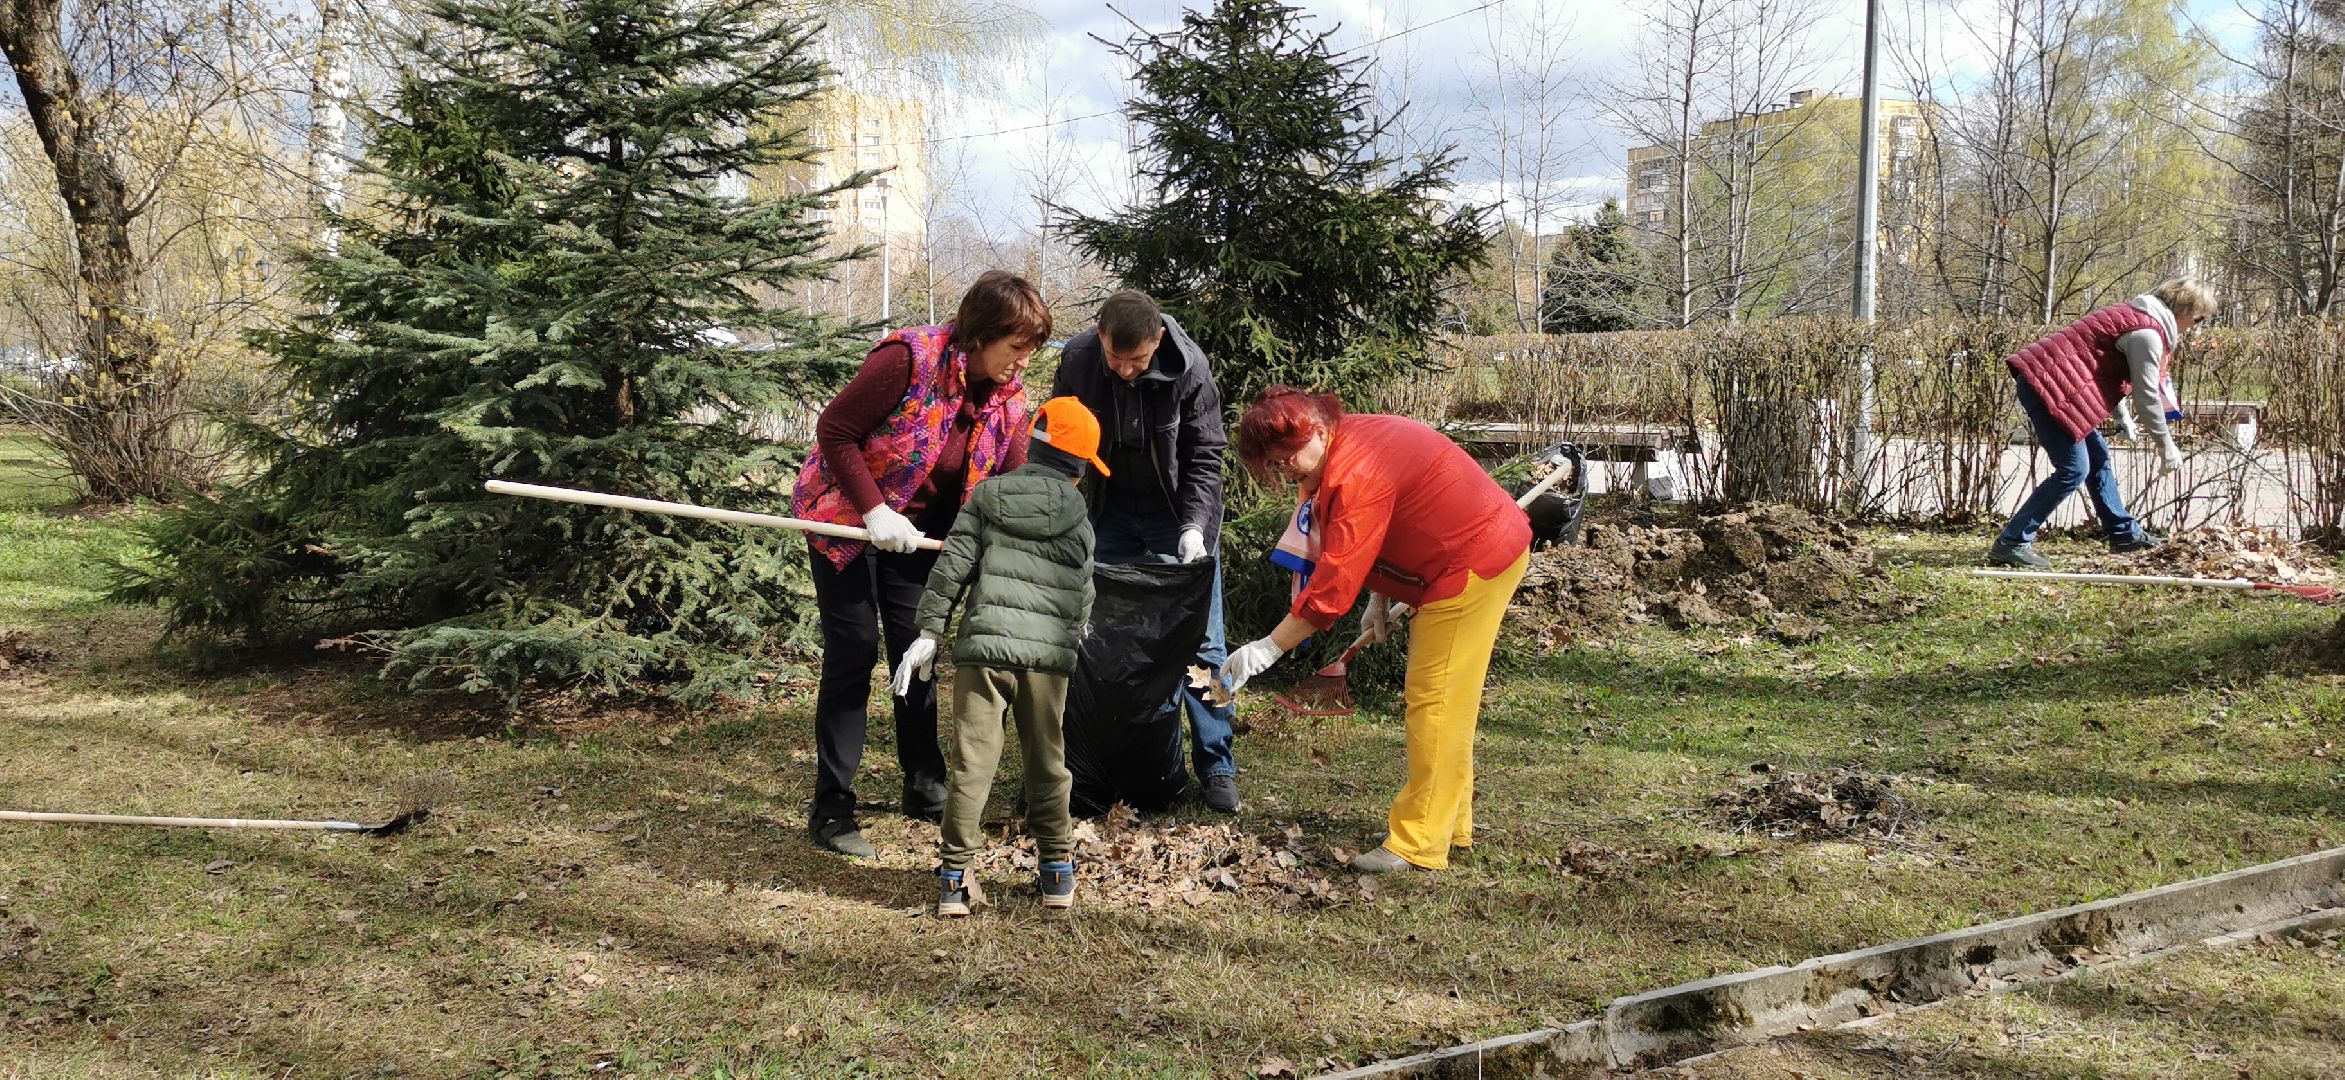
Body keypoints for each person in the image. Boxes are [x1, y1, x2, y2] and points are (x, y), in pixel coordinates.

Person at [788, 270, 1049, 858]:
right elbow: (835, 430)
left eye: (1031, 351)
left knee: (918, 650)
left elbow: (1011, 482)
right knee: (854, 651)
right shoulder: (910, 359)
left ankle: (923, 784)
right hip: (846, 519)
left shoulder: (1010, 401)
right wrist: (876, 511)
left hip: (922, 538)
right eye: (1017, 349)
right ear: (981, 336)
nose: (1023, 363)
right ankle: (832, 808)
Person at [1219, 387, 1531, 873]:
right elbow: (1377, 532)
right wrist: (1380, 596)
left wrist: (1268, 648)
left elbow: (1332, 585)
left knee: (1436, 699)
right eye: (1275, 466)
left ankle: (1420, 842)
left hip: (1473, 558)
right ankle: (1452, 825)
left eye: (1289, 458)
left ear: (1318, 431)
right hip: (1448, 558)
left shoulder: (1357, 469)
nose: (1286, 471)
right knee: (1447, 698)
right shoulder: (1339, 448)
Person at [891, 397, 1106, 917]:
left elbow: (953, 567)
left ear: (1031, 448)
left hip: (984, 652)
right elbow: (1083, 589)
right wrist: (1073, 630)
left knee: (972, 763)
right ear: (1079, 469)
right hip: (1047, 661)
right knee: (1048, 763)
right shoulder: (1079, 515)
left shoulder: (988, 496)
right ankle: (1057, 873)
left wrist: (928, 632)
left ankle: (953, 881)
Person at [1049, 290, 1241, 813]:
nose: (1128, 371)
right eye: (1117, 359)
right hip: (1108, 511)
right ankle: (1088, 755)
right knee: (1092, 637)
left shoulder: (1190, 366)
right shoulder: (1079, 361)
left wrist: (1195, 527)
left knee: (1206, 644)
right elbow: (1060, 442)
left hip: (1176, 513)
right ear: (1100, 337)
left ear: (1158, 340)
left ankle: (1217, 763)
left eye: (1138, 360)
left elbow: (1205, 452)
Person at [1988, 277, 2219, 569]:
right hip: (2048, 386)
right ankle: (2012, 543)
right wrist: (2167, 446)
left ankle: (2123, 535)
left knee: (2097, 458)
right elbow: (2147, 396)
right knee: (2073, 469)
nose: (2195, 326)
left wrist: (2121, 416)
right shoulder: (2146, 333)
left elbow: (2096, 370)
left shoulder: (2137, 317)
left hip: (2056, 384)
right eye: (2198, 319)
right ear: (2184, 310)